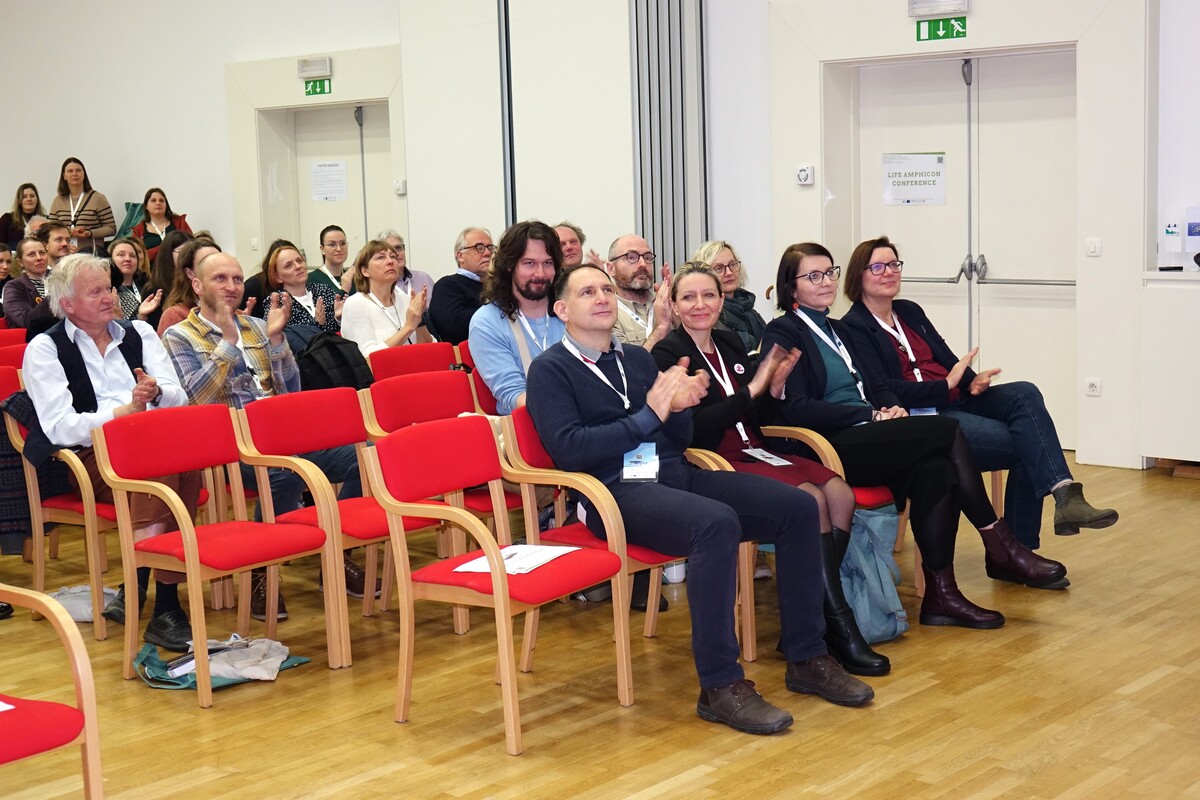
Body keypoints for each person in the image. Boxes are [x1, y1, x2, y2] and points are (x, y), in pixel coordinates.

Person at [527, 264, 875, 735]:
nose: (603, 297)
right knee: (715, 524)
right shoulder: (550, 370)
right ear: (562, 309)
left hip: (674, 473)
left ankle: (807, 656)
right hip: (610, 492)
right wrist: (651, 414)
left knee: (798, 507)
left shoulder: (637, 360)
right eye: (587, 292)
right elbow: (570, 449)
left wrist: (680, 409)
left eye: (606, 288)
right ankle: (720, 684)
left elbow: (676, 438)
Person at [760, 242, 1070, 630]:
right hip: (831, 445)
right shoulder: (784, 332)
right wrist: (868, 414)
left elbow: (877, 384)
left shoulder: (837, 329)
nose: (826, 282)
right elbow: (794, 408)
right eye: (813, 276)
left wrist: (892, 409)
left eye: (829, 272)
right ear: (791, 286)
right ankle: (999, 542)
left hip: (871, 432)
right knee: (947, 431)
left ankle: (941, 597)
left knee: (938, 471)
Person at [651, 262, 888, 676]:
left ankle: (818, 609)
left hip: (758, 449)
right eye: (688, 297)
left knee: (840, 494)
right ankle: (837, 623)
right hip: (716, 458)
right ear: (673, 305)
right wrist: (755, 389)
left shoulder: (729, 342)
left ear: (721, 301)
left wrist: (772, 389)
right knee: (811, 500)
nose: (700, 304)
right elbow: (696, 428)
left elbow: (759, 414)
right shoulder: (670, 354)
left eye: (709, 295)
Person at [839, 235, 1119, 549]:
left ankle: (1065, 494)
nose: (889, 272)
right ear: (859, 276)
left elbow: (946, 358)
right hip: (927, 416)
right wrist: (945, 386)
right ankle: (1019, 549)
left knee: (1024, 392)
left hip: (956, 399)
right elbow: (883, 389)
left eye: (894, 264)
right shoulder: (853, 326)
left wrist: (971, 380)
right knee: (1027, 444)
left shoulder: (909, 311)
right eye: (878, 267)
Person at [161, 252, 374, 616]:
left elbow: (290, 391)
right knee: (282, 472)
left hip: (280, 436)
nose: (231, 286)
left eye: (236, 278)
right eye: (220, 279)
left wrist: (276, 342)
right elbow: (194, 398)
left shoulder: (258, 327)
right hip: (230, 447)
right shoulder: (179, 335)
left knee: (364, 454)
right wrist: (227, 345)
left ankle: (336, 553)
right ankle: (260, 570)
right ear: (196, 285)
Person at [23, 253, 200, 651]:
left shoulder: (140, 333)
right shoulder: (45, 348)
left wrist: (156, 392)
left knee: (180, 464)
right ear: (68, 304)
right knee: (169, 468)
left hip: (152, 446)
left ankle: (144, 591)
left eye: (110, 289)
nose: (109, 298)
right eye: (96, 292)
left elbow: (179, 396)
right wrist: (124, 413)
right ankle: (163, 604)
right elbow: (60, 427)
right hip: (92, 457)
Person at [468, 220, 566, 415]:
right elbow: (513, 395)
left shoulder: (568, 311)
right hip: (530, 420)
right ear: (509, 266)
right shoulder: (487, 322)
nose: (540, 273)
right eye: (529, 263)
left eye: (548, 263)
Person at [340, 240, 426, 359]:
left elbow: (430, 346)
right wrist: (408, 327)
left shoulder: (406, 300)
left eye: (393, 256)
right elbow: (368, 358)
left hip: (415, 366)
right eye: (381, 257)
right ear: (365, 271)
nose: (390, 261)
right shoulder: (355, 304)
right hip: (382, 371)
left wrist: (420, 320)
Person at [691, 239, 766, 356]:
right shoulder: (706, 316)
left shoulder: (751, 312)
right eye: (719, 268)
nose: (729, 272)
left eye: (732, 264)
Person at [605, 233, 672, 350]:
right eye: (631, 257)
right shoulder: (607, 312)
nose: (643, 264)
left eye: (647, 257)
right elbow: (629, 361)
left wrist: (676, 304)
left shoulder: (665, 302)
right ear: (611, 268)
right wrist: (661, 327)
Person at [428, 227, 493, 343]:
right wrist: (498, 310)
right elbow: (454, 326)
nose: (488, 253)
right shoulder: (447, 285)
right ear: (460, 256)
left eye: (490, 247)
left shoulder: (501, 285)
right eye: (479, 248)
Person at [263, 241, 341, 336]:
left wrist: (339, 319)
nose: (298, 266)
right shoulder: (278, 302)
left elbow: (339, 332)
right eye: (288, 265)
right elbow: (286, 339)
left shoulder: (323, 290)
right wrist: (317, 323)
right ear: (277, 277)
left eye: (299, 261)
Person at [47, 158, 115, 254]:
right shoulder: (58, 200)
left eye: (78, 170)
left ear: (84, 174)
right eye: (70, 171)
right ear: (64, 176)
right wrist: (68, 232)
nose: (74, 173)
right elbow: (50, 229)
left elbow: (111, 228)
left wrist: (89, 233)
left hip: (91, 254)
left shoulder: (98, 198)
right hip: (64, 255)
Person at [156, 238, 221, 335]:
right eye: (206, 263)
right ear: (190, 273)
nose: (217, 269)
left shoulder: (237, 313)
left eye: (220, 262)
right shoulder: (175, 316)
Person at [144, 230, 192, 332]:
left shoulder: (194, 283)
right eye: (182, 251)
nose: (188, 256)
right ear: (168, 254)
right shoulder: (154, 290)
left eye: (192, 252)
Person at [130, 187, 193, 263]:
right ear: (146, 206)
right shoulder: (138, 231)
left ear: (166, 205)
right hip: (151, 270)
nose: (158, 203)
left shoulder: (180, 223)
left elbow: (192, 246)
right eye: (153, 200)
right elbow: (137, 257)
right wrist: (164, 248)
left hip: (178, 268)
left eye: (161, 200)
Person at [3, 237, 55, 330]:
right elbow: (26, 321)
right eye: (31, 254)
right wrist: (57, 294)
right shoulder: (14, 287)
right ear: (20, 262)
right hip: (32, 338)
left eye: (42, 253)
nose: (39, 258)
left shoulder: (59, 279)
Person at [108, 237, 161, 322]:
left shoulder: (148, 286)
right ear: (110, 259)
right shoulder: (107, 290)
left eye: (132, 256)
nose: (128, 259)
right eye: (121, 255)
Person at [308, 224, 353, 293]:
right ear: (322, 249)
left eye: (343, 243)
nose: (339, 249)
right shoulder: (312, 280)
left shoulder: (354, 278)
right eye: (332, 244)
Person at [0, 183, 47, 249]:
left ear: (37, 200)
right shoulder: (6, 219)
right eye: (24, 196)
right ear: (19, 200)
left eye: (32, 196)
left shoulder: (44, 221)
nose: (29, 199)